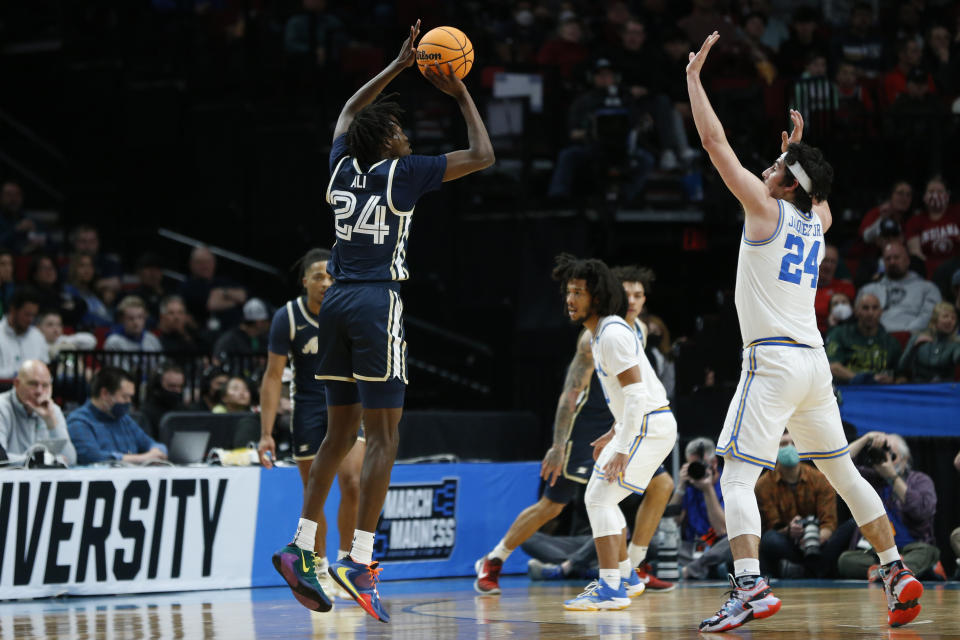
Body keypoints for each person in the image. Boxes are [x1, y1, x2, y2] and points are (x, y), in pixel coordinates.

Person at [687, 33, 922, 632]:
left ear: (787, 184)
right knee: (842, 473)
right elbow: (822, 200)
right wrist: (796, 153)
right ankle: (896, 572)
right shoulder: (817, 221)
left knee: (736, 475)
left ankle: (749, 587)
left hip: (771, 361)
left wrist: (693, 81)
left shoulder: (764, 210)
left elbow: (714, 142)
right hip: (814, 365)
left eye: (775, 168)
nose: (764, 170)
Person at [272, 19, 494, 622]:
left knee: (338, 434)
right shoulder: (402, 174)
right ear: (389, 143)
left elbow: (347, 110)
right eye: (396, 129)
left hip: (337, 302)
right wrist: (459, 92)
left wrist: (397, 66)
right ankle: (359, 559)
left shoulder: (341, 170)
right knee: (385, 436)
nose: (401, 133)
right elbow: (483, 155)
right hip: (375, 302)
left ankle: (299, 547)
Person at [474, 265, 676, 596]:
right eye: (627, 294)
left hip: (627, 422)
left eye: (639, 295)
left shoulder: (631, 330)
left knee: (658, 485)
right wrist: (558, 444)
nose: (633, 301)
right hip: (588, 426)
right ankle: (494, 560)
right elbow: (571, 393)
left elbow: (639, 392)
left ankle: (630, 570)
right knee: (555, 505)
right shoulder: (593, 336)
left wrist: (621, 430)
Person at [551, 254, 676, 612]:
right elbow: (634, 395)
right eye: (568, 292)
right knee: (601, 497)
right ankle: (626, 576)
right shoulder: (602, 333)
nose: (570, 300)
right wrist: (615, 431)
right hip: (643, 424)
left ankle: (613, 587)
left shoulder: (612, 335)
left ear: (598, 296)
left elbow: (638, 395)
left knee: (600, 498)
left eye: (578, 292)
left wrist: (623, 444)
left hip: (649, 425)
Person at [259, 248, 365, 597]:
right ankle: (316, 565)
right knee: (314, 494)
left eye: (331, 276)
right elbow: (273, 377)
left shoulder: (349, 312)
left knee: (352, 482)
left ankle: (345, 562)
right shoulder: (287, 317)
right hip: (308, 409)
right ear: (304, 281)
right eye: (318, 276)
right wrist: (266, 434)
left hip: (349, 406)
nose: (325, 282)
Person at [838, 433, 940, 580]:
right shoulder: (870, 478)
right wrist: (866, 438)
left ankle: (888, 572)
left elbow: (922, 511)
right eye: (881, 454)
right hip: (877, 551)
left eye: (891, 456)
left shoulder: (919, 480)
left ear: (904, 460)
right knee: (846, 560)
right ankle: (897, 572)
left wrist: (893, 477)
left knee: (928, 552)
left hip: (911, 548)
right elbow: (840, 466)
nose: (885, 460)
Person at [755, 431, 842, 578]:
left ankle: (804, 570)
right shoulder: (763, 485)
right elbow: (771, 526)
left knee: (851, 526)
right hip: (788, 544)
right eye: (783, 444)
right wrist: (789, 530)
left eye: (794, 444)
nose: (789, 448)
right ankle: (815, 570)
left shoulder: (820, 478)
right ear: (774, 450)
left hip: (821, 542)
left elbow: (829, 522)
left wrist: (815, 538)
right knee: (769, 539)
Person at [67, 367, 168, 464]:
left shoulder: (124, 419)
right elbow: (92, 457)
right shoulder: (79, 421)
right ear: (105, 393)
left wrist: (156, 452)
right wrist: (141, 458)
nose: (129, 402)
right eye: (125, 396)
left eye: (130, 397)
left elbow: (152, 443)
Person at [669, 437, 731, 580]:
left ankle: (690, 570)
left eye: (698, 465)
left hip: (716, 546)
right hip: (689, 548)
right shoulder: (689, 484)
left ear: (714, 463)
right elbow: (672, 523)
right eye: (691, 465)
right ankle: (702, 569)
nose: (695, 469)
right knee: (657, 540)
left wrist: (707, 489)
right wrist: (680, 487)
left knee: (734, 541)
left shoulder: (728, 482)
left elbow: (722, 530)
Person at [0, 360, 76, 465]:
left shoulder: (53, 410)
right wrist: (37, 461)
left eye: (45, 385)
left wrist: (51, 422)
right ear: (17, 384)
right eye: (33, 384)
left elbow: (71, 460)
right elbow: (1, 459)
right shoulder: (2, 407)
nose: (39, 391)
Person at [860, 242, 941, 335]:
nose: (892, 262)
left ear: (907, 260)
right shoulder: (868, 290)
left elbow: (929, 316)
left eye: (896, 257)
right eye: (888, 259)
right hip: (876, 338)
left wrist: (906, 333)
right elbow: (860, 318)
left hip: (913, 337)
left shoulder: (928, 288)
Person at [826, 292, 902, 385]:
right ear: (856, 311)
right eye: (865, 308)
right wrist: (864, 379)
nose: (870, 313)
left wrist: (893, 381)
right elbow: (833, 367)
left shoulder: (891, 342)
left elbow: (901, 376)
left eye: (875, 308)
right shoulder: (839, 334)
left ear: (881, 312)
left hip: (881, 392)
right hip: (848, 390)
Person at [905, 177, 960, 279]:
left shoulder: (957, 212)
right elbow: (916, 253)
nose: (935, 195)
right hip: (929, 273)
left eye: (939, 191)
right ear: (924, 197)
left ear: (947, 196)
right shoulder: (915, 221)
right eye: (931, 191)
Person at [897, 302, 960, 382]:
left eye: (953, 318)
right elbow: (901, 367)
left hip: (944, 388)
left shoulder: (956, 343)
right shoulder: (917, 337)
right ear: (935, 319)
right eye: (945, 316)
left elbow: (957, 357)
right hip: (920, 386)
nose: (950, 320)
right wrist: (913, 348)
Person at [0, 287, 48, 378]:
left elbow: (45, 371)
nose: (30, 320)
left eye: (33, 315)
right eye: (27, 314)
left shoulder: (38, 336)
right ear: (13, 310)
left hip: (35, 390)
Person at [63, 252, 114, 328]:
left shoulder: (96, 292)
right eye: (82, 266)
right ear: (73, 269)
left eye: (90, 266)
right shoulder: (67, 291)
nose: (87, 270)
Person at [139, 362, 186, 441]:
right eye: (172, 386)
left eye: (180, 386)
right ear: (158, 386)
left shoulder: (184, 411)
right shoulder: (145, 413)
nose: (177, 391)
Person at [815, 244, 855, 334]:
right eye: (825, 260)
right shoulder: (805, 287)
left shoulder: (845, 288)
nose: (828, 266)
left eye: (832, 262)